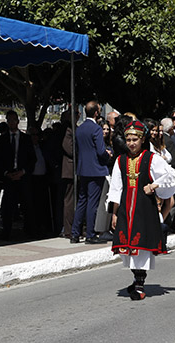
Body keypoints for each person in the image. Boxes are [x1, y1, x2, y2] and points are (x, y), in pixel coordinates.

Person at [107, 120, 175, 300]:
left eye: (135, 139)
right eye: (128, 140)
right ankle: (136, 279)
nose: (131, 143)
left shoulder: (151, 158)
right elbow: (115, 188)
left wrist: (154, 185)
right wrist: (114, 213)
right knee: (127, 247)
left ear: (142, 139)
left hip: (144, 208)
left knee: (141, 246)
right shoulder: (120, 160)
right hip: (126, 208)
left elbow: (172, 177)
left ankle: (139, 284)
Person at [72, 101, 112, 244]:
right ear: (96, 113)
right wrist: (108, 155)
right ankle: (90, 234)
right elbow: (100, 151)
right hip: (95, 169)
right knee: (92, 202)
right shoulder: (96, 129)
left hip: (83, 168)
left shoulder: (80, 129)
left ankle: (75, 234)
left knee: (82, 200)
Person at [0, 110, 35, 239]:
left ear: (18, 121)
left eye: (14, 120)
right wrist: (6, 173)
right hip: (9, 176)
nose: (12, 123)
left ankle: (29, 230)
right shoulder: (3, 139)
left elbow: (32, 159)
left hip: (22, 175)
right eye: (9, 121)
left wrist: (23, 172)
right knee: (7, 205)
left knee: (27, 204)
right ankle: (6, 231)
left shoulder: (26, 138)